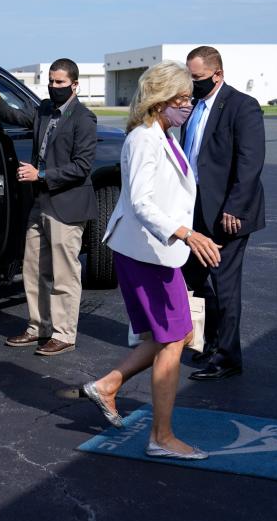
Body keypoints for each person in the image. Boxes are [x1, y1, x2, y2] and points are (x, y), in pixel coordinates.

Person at [80, 61, 221, 459]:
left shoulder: (164, 134)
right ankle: (161, 437)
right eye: (181, 99)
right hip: (147, 253)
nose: (188, 105)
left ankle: (107, 386)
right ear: (161, 100)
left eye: (190, 99)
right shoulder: (144, 139)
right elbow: (141, 201)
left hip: (156, 253)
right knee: (174, 338)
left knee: (168, 336)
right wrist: (187, 234)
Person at [0, 59, 97, 356]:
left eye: (60, 82)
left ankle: (63, 333)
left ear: (74, 85)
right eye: (51, 81)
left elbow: (82, 167)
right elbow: (15, 115)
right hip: (41, 202)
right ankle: (38, 326)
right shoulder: (44, 109)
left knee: (64, 273)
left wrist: (41, 175)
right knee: (33, 268)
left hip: (67, 205)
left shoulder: (84, 119)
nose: (54, 86)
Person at [181, 46, 266, 381]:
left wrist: (235, 206)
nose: (192, 83)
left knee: (225, 284)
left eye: (198, 77)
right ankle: (210, 341)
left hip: (227, 213)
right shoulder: (193, 108)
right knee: (192, 279)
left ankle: (228, 357)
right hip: (195, 210)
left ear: (218, 74)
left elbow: (250, 162)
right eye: (190, 76)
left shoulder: (242, 106)